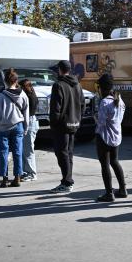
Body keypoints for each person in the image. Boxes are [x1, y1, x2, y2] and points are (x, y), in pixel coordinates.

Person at [49, 60, 85, 194]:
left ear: (59, 69)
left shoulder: (58, 85)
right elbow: (83, 104)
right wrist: (77, 119)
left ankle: (67, 182)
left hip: (62, 125)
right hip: (73, 123)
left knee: (61, 153)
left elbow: (55, 109)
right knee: (68, 153)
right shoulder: (77, 84)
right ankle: (67, 180)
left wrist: (53, 123)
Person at [0, 69, 29, 188]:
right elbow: (26, 113)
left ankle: (4, 179)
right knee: (18, 152)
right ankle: (17, 177)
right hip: (18, 126)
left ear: (5, 81)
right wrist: (26, 128)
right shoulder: (23, 95)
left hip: (3, 127)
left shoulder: (0, 96)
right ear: (16, 80)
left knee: (4, 152)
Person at [95, 73, 127, 202]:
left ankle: (109, 193)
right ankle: (123, 189)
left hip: (104, 137)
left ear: (101, 88)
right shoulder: (119, 100)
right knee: (115, 161)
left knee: (105, 165)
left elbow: (101, 122)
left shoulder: (104, 102)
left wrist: (94, 118)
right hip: (116, 136)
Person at [19, 79, 39, 182]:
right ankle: (26, 172)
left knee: (28, 150)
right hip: (32, 121)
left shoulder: (28, 97)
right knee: (25, 149)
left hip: (30, 122)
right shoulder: (32, 94)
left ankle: (31, 173)